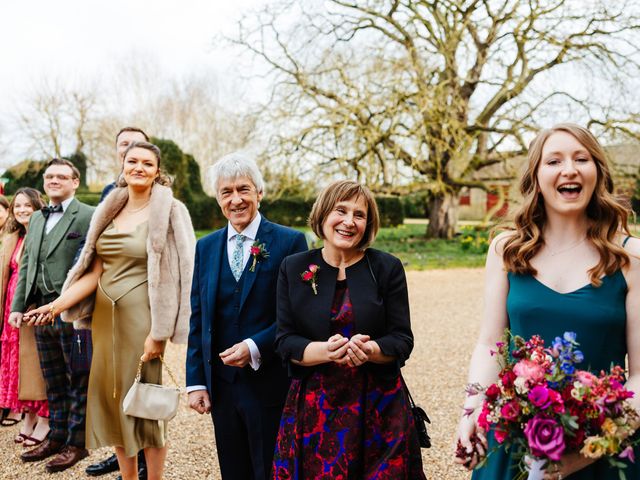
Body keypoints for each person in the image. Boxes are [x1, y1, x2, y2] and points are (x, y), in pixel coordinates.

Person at [455, 123, 640, 480]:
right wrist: (471, 411)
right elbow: (488, 344)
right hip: (515, 448)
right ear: (537, 177)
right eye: (554, 161)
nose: (569, 169)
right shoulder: (506, 251)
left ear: (597, 172)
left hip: (605, 452)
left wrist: (586, 454)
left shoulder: (631, 257)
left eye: (581, 159)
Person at [25, 141, 195, 480]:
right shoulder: (111, 208)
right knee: (114, 403)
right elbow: (93, 271)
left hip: (143, 321)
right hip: (104, 320)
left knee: (146, 407)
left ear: (157, 171)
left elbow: (186, 272)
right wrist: (57, 305)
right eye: (133, 161)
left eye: (147, 163)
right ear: (123, 165)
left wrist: (159, 334)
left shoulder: (171, 210)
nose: (139, 168)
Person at [272, 180, 425, 479]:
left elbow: (402, 339)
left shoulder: (387, 267)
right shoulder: (293, 267)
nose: (349, 221)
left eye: (359, 214)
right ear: (323, 214)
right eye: (340, 210)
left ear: (368, 223)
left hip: (380, 407)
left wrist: (370, 350)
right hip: (316, 410)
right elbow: (285, 340)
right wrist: (325, 351)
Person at [186, 153, 308, 480]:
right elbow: (199, 317)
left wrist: (256, 345)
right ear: (218, 199)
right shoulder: (206, 247)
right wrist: (196, 381)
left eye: (244, 189)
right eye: (227, 192)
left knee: (271, 468)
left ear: (259, 193)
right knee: (233, 469)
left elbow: (297, 312)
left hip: (270, 381)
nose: (236, 199)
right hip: (222, 386)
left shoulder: (290, 241)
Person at [8, 159, 94, 472]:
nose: (54, 180)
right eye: (49, 176)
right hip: (40, 313)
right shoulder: (37, 218)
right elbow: (28, 263)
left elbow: (94, 264)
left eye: (61, 176)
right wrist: (18, 306)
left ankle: (77, 443)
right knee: (52, 379)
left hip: (76, 313)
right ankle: (56, 435)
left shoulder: (88, 215)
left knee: (79, 379)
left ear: (75, 181)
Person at [85, 125, 149, 480]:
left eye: (138, 146)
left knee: (139, 386)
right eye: (124, 146)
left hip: (139, 310)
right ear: (118, 153)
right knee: (112, 390)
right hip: (105, 311)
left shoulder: (159, 198)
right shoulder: (110, 194)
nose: (130, 151)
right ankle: (121, 455)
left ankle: (143, 461)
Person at [0, 188, 49, 445]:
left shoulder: (44, 235)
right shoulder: (15, 237)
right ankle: (27, 416)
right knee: (18, 365)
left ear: (37, 206)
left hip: (32, 307)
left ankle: (44, 419)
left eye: (26, 205)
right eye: (17, 206)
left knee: (36, 365)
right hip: (12, 308)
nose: (21, 210)